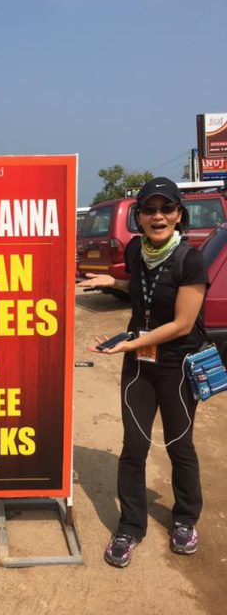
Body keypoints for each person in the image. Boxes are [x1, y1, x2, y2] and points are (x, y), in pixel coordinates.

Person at [79, 177, 208, 568]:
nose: (158, 216)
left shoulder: (190, 259)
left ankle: (185, 519)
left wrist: (132, 342)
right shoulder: (136, 250)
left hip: (176, 364)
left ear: (179, 215)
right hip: (139, 364)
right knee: (134, 445)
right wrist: (115, 281)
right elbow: (142, 288)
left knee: (179, 444)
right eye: (149, 209)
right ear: (139, 217)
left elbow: (183, 324)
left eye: (166, 208)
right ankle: (130, 527)